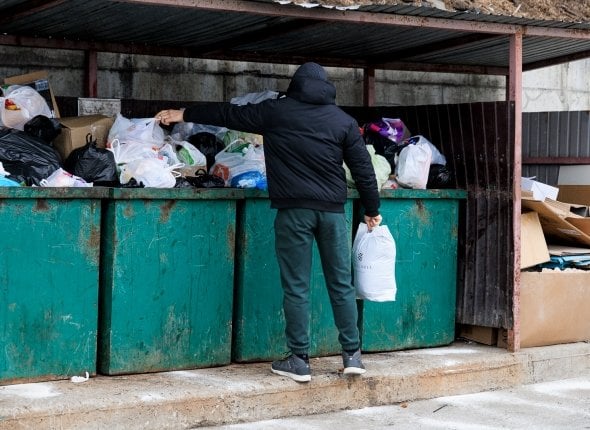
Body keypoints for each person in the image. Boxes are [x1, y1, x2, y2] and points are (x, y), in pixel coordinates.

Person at [155, 62, 382, 383]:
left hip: (293, 212)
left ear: (296, 85)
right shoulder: (342, 121)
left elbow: (228, 115)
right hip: (332, 212)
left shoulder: (276, 112)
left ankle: (300, 360)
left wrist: (185, 112)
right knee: (341, 283)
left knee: (297, 286)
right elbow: (363, 169)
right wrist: (371, 208)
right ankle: (352, 355)